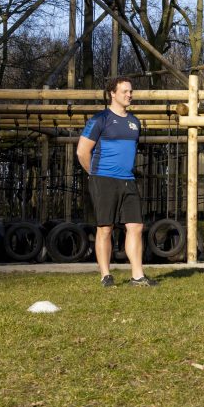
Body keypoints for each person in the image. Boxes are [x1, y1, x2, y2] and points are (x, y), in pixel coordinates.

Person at [76, 76, 157, 288]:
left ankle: (137, 276)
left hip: (128, 180)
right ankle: (106, 275)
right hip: (103, 180)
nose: (129, 95)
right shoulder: (99, 119)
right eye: (125, 91)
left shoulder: (135, 123)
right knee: (105, 228)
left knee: (136, 226)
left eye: (131, 91)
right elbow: (82, 152)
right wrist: (95, 175)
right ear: (113, 93)